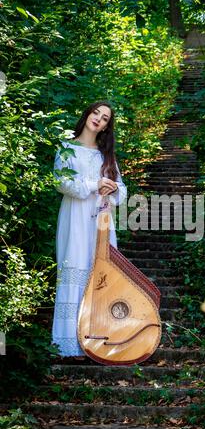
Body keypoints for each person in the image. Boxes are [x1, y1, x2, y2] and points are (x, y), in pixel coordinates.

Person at [52, 101, 127, 358]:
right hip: (74, 218)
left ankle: (101, 340)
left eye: (105, 118)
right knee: (74, 268)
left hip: (101, 221)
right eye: (96, 113)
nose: (98, 119)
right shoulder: (67, 147)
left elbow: (123, 189)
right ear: (87, 114)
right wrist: (95, 183)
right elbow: (61, 182)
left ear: (107, 126)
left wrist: (114, 188)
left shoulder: (106, 155)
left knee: (102, 273)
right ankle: (69, 344)